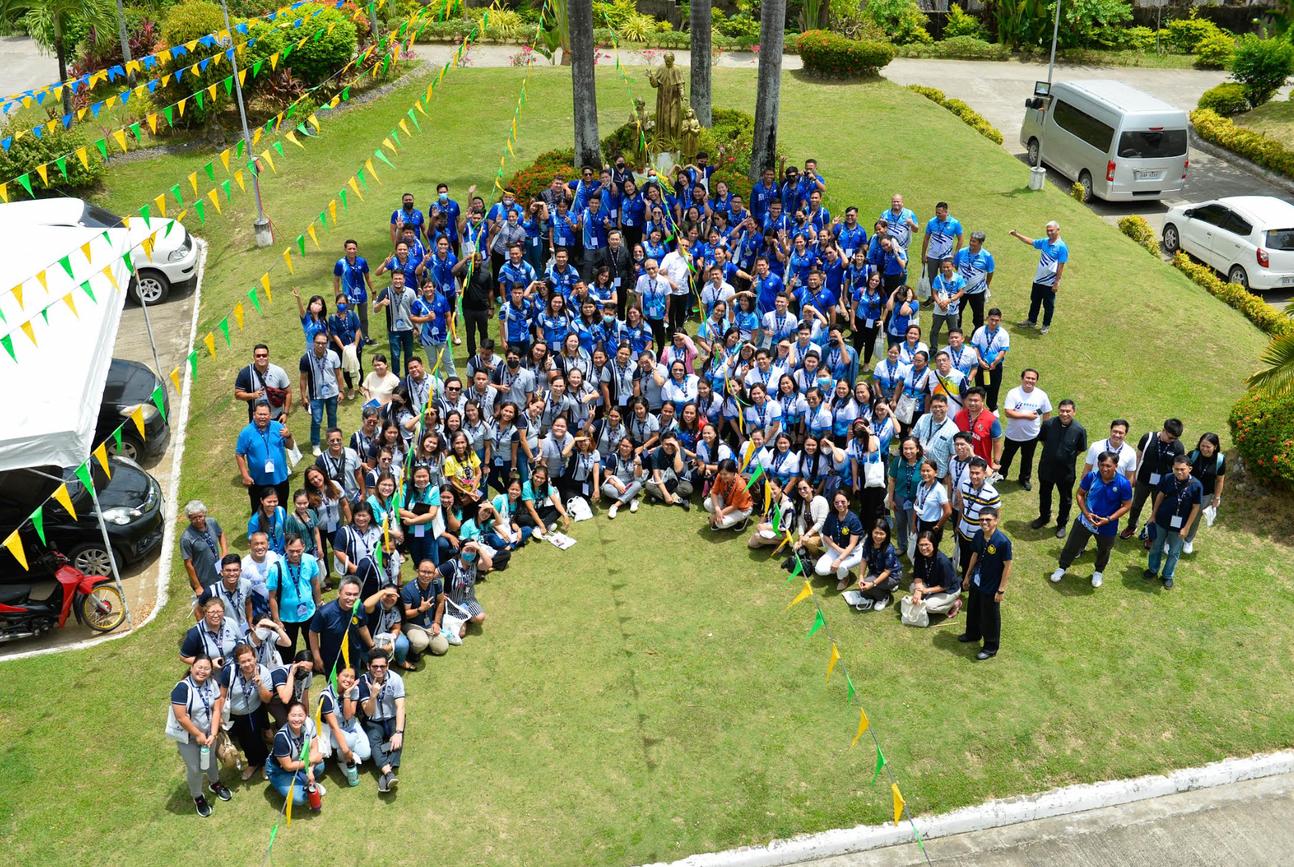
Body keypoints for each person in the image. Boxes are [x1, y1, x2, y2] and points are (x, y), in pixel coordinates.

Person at [1051, 451, 1133, 589]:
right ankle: (1062, 568)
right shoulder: (1091, 476)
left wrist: (1109, 519)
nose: (1104, 469)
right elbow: (1080, 494)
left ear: (1116, 466)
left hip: (1107, 525)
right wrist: (1086, 513)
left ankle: (1098, 572)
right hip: (1085, 521)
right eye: (1102, 465)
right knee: (1072, 545)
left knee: (1104, 550)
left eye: (1108, 466)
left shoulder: (1123, 484)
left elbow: (1127, 505)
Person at [169, 654, 230, 817]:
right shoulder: (181, 689)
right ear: (191, 668)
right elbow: (181, 717)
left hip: (209, 734)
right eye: (199, 667)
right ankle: (198, 797)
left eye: (206, 668)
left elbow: (216, 709)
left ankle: (215, 784)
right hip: (188, 738)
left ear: (211, 671)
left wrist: (214, 733)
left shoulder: (211, 683)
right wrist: (197, 734)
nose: (202, 671)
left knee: (210, 760)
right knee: (195, 769)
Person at [958, 508, 1011, 660]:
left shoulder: (1002, 542)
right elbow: (975, 554)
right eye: (981, 519)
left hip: (991, 585)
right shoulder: (979, 535)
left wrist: (1001, 590)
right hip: (977, 580)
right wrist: (967, 575)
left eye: (988, 519)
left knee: (990, 616)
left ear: (996, 520)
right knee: (973, 608)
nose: (984, 522)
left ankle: (990, 647)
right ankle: (973, 634)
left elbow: (1008, 566)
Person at [1122, 418, 1186, 544]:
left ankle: (1150, 533)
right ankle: (1131, 526)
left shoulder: (1178, 447)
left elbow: (1177, 468)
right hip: (1143, 480)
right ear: (1163, 430)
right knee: (1136, 505)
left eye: (1175, 438)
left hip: (1162, 486)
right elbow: (1138, 456)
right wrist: (1133, 475)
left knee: (1156, 510)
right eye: (1170, 437)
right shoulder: (1148, 438)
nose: (1172, 440)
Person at [1144, 455, 1202, 590]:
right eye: (1176, 469)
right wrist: (1153, 515)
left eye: (1182, 469)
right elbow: (1160, 496)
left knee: (1174, 552)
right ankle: (1153, 569)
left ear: (1190, 469)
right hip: (1162, 520)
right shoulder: (1168, 478)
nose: (1179, 472)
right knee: (1156, 546)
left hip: (1180, 526)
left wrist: (1187, 527)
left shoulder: (1196, 485)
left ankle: (1167, 575)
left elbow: (1195, 507)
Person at [218, 643, 273, 781]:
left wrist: (260, 684)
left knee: (257, 739)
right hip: (234, 714)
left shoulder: (264, 672)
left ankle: (265, 763)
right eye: (243, 662)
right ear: (238, 662)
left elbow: (267, 699)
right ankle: (252, 763)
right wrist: (218, 715)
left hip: (254, 711)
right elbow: (222, 696)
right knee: (244, 741)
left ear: (255, 658)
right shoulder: (230, 672)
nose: (247, 664)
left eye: (249, 660)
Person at [1033, 399, 1087, 538]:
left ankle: (1062, 524)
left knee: (1065, 499)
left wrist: (1065, 456)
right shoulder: (1048, 424)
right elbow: (1042, 440)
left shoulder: (1079, 430)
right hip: (1046, 468)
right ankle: (1044, 517)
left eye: (1068, 411)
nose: (1064, 414)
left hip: (1066, 472)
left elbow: (1080, 449)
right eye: (1062, 410)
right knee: (1044, 494)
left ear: (1074, 412)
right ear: (1058, 411)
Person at [267, 534, 324, 657]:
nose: (295, 554)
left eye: (298, 551)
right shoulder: (276, 568)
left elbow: (315, 584)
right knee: (287, 651)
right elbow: (272, 597)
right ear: (285, 548)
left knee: (313, 646)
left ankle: (314, 664)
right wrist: (277, 620)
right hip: (286, 618)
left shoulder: (310, 561)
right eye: (291, 551)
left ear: (303, 547)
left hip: (309, 613)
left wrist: (319, 604)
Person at [235, 401, 295, 515]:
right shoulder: (246, 432)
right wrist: (245, 475)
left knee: (281, 511)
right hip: (259, 483)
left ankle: (280, 527)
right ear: (254, 415)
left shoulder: (278, 427)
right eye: (260, 414)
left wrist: (289, 436)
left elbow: (290, 446)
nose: (262, 417)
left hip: (280, 480)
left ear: (270, 415)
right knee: (259, 514)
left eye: (265, 414)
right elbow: (239, 454)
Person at [308, 576, 374, 678]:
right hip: (332, 659)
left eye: (355, 594)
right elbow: (313, 633)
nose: (351, 598)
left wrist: (372, 646)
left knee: (354, 683)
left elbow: (362, 627)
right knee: (334, 686)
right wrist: (317, 658)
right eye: (348, 594)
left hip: (354, 656)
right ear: (339, 593)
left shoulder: (359, 607)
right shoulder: (324, 613)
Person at [358, 649, 405, 793]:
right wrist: (373, 695)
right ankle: (388, 773)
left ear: (387, 666)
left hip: (391, 717)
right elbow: (368, 712)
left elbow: (401, 706)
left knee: (397, 740)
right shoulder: (362, 682)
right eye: (375, 666)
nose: (379, 670)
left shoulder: (395, 679)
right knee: (374, 742)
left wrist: (398, 732)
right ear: (368, 666)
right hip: (372, 721)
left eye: (382, 666)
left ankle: (385, 772)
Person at [997, 369, 1051, 491]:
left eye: (1033, 379)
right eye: (1028, 378)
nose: (1030, 381)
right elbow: (1008, 412)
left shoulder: (1041, 395)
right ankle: (1001, 474)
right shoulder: (1013, 393)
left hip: (1032, 435)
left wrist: (1043, 427)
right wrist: (1027, 415)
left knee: (1027, 458)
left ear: (1036, 381)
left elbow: (1046, 411)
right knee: (1007, 456)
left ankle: (1024, 479)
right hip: (1013, 434)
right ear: (1022, 378)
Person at [1010, 221, 1068, 335]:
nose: (1049, 232)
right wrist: (1017, 235)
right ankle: (1031, 321)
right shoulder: (1045, 242)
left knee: (1048, 305)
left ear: (1058, 230)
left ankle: (1046, 325)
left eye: (1051, 230)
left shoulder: (1062, 247)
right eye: (1048, 230)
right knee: (1035, 301)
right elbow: (1031, 241)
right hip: (1038, 279)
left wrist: (1057, 282)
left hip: (1050, 282)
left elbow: (1061, 266)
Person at [267, 700, 325, 808]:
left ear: (305, 716)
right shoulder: (281, 738)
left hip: (298, 760)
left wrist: (310, 770)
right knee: (300, 799)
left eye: (300, 715)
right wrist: (312, 760)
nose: (297, 719)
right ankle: (295, 783)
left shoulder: (309, 723)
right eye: (293, 715)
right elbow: (288, 766)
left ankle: (304, 781)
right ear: (287, 716)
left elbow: (314, 747)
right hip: (280, 770)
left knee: (320, 766)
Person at [318, 666, 369, 787]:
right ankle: (341, 759)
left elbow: (348, 715)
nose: (348, 680)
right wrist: (346, 751)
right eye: (345, 676)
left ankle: (351, 745)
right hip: (334, 731)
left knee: (366, 755)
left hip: (351, 725)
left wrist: (347, 695)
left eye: (352, 677)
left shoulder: (354, 690)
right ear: (337, 676)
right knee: (349, 742)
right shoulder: (326, 697)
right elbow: (334, 727)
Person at [299, 330, 345, 457]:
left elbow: (338, 374)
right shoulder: (306, 358)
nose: (321, 345)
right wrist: (303, 396)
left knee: (332, 418)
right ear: (313, 343)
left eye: (323, 343)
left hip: (332, 393)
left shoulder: (333, 355)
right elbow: (303, 379)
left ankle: (333, 441)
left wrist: (341, 391)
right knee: (316, 420)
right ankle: (316, 444)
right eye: (318, 343)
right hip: (316, 395)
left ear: (327, 343)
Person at [901, 532, 962, 625]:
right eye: (921, 545)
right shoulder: (919, 556)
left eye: (926, 544)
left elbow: (945, 586)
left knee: (928, 606)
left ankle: (954, 604)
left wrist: (925, 591)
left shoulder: (943, 561)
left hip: (948, 590)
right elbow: (917, 575)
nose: (923, 548)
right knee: (913, 587)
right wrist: (918, 591)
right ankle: (929, 598)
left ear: (934, 544)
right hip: (931, 584)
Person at [441, 541, 491, 643]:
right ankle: (458, 618)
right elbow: (432, 576)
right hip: (453, 603)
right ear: (460, 550)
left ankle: (465, 618)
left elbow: (488, 564)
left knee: (480, 617)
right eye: (467, 549)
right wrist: (439, 593)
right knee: (461, 634)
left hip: (469, 600)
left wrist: (479, 549)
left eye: (473, 551)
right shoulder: (451, 565)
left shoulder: (474, 563)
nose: (469, 553)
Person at [1184, 432, 1225, 555]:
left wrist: (1217, 497)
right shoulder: (1193, 455)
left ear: (1215, 447)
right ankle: (1172, 538)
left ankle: (1188, 540)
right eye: (1202, 445)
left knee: (1195, 518)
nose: (1205, 449)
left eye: (1208, 447)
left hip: (1205, 495)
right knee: (1180, 512)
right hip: (1187, 491)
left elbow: (1220, 480)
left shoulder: (1220, 460)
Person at [401, 559, 450, 659]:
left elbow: (441, 601)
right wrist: (420, 609)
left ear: (434, 573)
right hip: (411, 624)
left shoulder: (437, 583)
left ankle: (423, 639)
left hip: (429, 623)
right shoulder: (408, 590)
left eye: (429, 572)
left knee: (442, 648)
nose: (426, 575)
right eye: (423, 571)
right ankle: (411, 649)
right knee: (421, 643)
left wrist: (436, 622)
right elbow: (405, 614)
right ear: (417, 571)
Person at [197, 554, 255, 637]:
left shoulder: (247, 584)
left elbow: (248, 603)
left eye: (235, 570)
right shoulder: (211, 592)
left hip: (243, 627)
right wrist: (206, 631)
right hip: (223, 632)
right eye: (228, 570)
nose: (232, 574)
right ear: (221, 572)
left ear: (240, 571)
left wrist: (249, 622)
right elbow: (198, 611)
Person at [817, 490, 864, 589]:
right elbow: (825, 536)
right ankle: (839, 571)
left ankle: (845, 578)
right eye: (836, 502)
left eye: (843, 502)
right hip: (836, 548)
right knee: (819, 570)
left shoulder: (854, 520)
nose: (840, 504)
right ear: (833, 504)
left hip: (853, 552)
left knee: (841, 566)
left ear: (848, 502)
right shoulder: (831, 516)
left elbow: (852, 545)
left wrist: (839, 560)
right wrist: (838, 549)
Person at [373, 270, 417, 376]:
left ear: (404, 280)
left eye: (400, 278)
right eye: (395, 279)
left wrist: (416, 327)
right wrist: (381, 303)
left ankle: (408, 377)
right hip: (394, 330)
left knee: (409, 355)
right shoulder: (386, 292)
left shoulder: (411, 292)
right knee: (395, 356)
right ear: (392, 280)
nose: (398, 281)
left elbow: (416, 310)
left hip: (408, 329)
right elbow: (375, 310)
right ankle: (396, 378)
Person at [181, 500, 227, 599]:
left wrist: (224, 553)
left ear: (204, 514)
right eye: (194, 518)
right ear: (189, 518)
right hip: (204, 580)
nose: (198, 520)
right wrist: (197, 586)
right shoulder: (186, 538)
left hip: (219, 572)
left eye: (200, 516)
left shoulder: (212, 522)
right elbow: (188, 564)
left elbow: (221, 534)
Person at [234, 344, 291, 422]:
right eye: (258, 356)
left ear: (268, 356)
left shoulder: (279, 371)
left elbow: (288, 393)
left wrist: (285, 413)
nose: (261, 358)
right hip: (256, 419)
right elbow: (237, 394)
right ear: (254, 357)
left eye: (264, 355)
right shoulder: (245, 373)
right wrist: (252, 395)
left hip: (277, 417)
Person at [954, 387, 1002, 476]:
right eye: (970, 400)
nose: (972, 403)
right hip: (962, 462)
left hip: (982, 465)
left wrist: (996, 461)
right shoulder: (958, 416)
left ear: (982, 401)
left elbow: (997, 441)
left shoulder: (991, 420)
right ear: (965, 400)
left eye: (976, 400)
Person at [854, 519, 902, 609]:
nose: (878, 536)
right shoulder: (868, 542)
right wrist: (861, 577)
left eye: (881, 533)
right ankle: (884, 588)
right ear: (871, 532)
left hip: (892, 575)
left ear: (887, 535)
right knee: (864, 590)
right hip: (876, 571)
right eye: (876, 532)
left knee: (868, 586)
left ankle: (884, 597)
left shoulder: (889, 549)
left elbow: (887, 572)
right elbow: (864, 559)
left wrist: (873, 583)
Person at [180, 598, 241, 668]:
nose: (216, 615)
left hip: (235, 670)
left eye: (219, 611)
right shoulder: (195, 633)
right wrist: (209, 663)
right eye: (212, 612)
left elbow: (242, 643)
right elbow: (184, 657)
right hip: (211, 673)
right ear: (205, 613)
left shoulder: (231, 623)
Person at [952, 231, 994, 331]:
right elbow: (956, 266)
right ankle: (956, 331)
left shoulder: (987, 256)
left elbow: (990, 272)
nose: (971, 243)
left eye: (974, 241)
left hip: (978, 292)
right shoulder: (961, 252)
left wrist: (987, 284)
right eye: (971, 240)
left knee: (978, 315)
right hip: (960, 290)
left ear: (981, 243)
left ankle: (977, 333)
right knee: (957, 311)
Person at [334, 239, 374, 342]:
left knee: (363, 318)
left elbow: (367, 277)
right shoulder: (340, 263)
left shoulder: (362, 261)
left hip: (362, 295)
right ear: (345, 249)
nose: (352, 251)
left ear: (357, 249)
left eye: (354, 248)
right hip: (347, 297)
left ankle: (365, 337)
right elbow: (336, 280)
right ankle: (348, 339)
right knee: (347, 318)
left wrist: (373, 290)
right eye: (349, 249)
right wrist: (337, 295)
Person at [970, 308, 1009, 410]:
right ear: (987, 318)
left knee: (994, 390)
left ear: (1000, 320)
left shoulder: (1003, 333)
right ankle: (978, 409)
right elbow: (975, 347)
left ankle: (993, 408)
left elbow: (1003, 350)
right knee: (979, 390)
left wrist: (995, 363)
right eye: (992, 319)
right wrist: (980, 360)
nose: (994, 322)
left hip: (995, 367)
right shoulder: (980, 331)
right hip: (981, 366)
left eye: (997, 320)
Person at [704, 458, 754, 530]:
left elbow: (734, 507)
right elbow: (714, 492)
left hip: (742, 508)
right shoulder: (720, 476)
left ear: (733, 472)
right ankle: (725, 515)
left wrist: (716, 515)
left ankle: (742, 519)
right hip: (728, 503)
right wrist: (717, 510)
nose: (722, 476)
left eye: (725, 474)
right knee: (707, 503)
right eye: (721, 473)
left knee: (720, 524)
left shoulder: (740, 485)